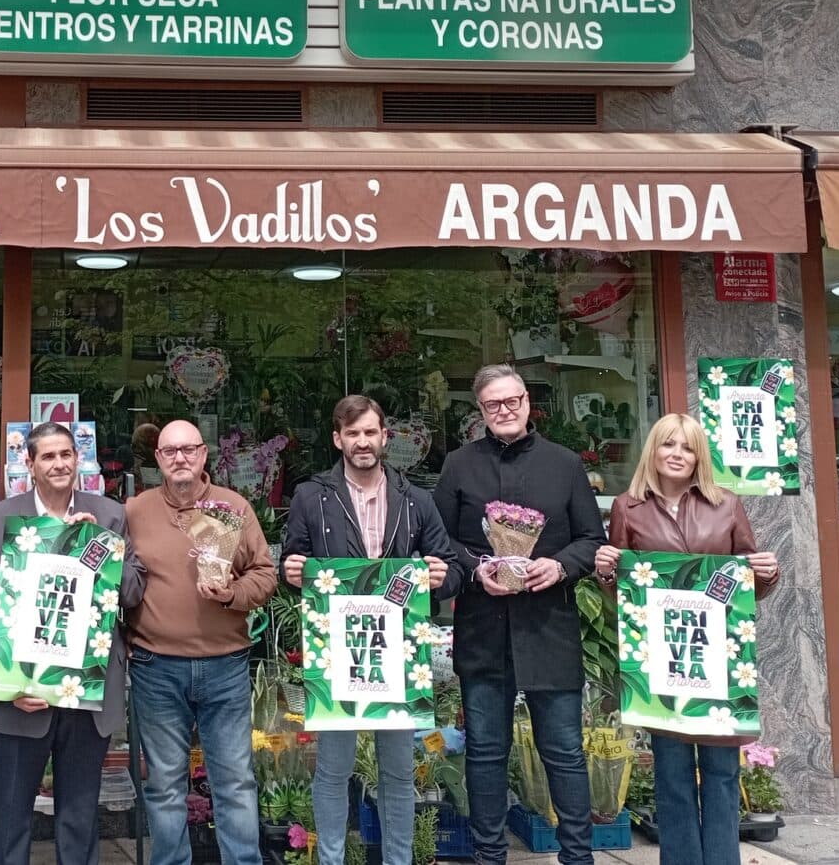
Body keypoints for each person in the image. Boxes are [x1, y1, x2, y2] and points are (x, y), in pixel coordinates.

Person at [433, 364, 605, 865]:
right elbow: (441, 544)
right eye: (492, 405)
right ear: (480, 410)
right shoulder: (460, 465)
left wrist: (561, 565)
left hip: (549, 624)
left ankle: (578, 856)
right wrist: (474, 568)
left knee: (565, 752)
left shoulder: (565, 464)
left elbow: (592, 540)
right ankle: (489, 856)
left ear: (528, 402)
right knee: (486, 752)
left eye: (512, 401)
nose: (504, 411)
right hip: (485, 626)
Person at [281, 394, 460, 865]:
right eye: (353, 433)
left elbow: (451, 565)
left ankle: (399, 861)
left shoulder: (417, 500)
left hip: (399, 652)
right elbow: (290, 563)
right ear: (338, 439)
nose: (363, 442)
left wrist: (442, 577)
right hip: (337, 650)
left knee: (399, 772)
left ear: (385, 437)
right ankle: (332, 861)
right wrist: (292, 569)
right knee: (333, 770)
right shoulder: (310, 497)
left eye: (370, 432)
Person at [595, 413, 779, 865]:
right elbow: (623, 590)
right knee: (672, 774)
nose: (677, 455)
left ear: (700, 455)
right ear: (653, 452)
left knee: (720, 772)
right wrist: (604, 571)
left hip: (719, 656)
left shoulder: (726, 504)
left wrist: (767, 574)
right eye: (668, 445)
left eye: (688, 447)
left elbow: (747, 577)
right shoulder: (627, 507)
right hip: (662, 656)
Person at [0, 421, 146, 865]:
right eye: (47, 457)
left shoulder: (109, 515)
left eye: (66, 454)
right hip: (22, 696)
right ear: (29, 465)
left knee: (80, 817)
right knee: (10, 816)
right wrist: (16, 684)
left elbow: (132, 593)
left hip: (88, 692)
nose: (59, 464)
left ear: (78, 460)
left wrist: (98, 547)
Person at [127, 419, 277, 865]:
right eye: (170, 451)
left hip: (225, 665)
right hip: (155, 667)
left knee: (234, 782)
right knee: (165, 784)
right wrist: (119, 639)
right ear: (157, 459)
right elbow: (117, 582)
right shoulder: (134, 511)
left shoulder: (233, 507)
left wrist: (232, 595)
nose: (180, 458)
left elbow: (265, 575)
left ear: (204, 455)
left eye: (189, 449)